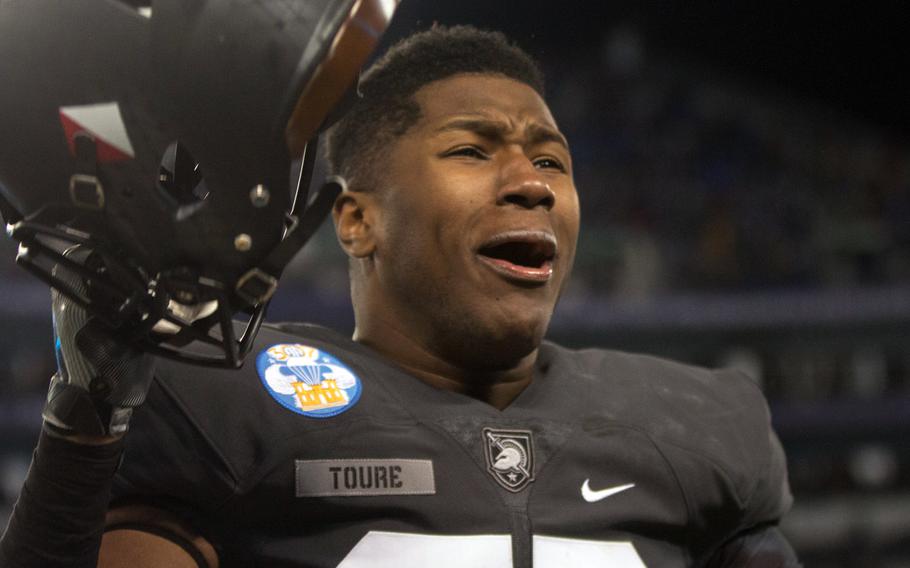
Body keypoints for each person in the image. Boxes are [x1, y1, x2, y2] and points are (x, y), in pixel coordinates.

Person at [0, 25, 799, 567]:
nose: (530, 185)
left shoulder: (695, 427)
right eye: (471, 150)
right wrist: (89, 412)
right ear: (356, 220)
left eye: (553, 162)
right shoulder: (221, 409)